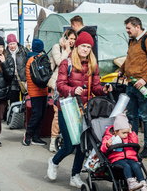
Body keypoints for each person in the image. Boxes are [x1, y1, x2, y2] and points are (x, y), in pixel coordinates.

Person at [47, 31, 112, 188]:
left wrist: (103, 89)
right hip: (67, 108)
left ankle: (75, 175)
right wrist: (72, 90)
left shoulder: (92, 65)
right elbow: (60, 85)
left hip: (84, 110)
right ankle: (54, 161)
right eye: (83, 45)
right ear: (77, 46)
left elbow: (95, 86)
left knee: (83, 145)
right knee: (69, 145)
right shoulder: (66, 63)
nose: (85, 49)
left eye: (88, 47)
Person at [119, 16, 147, 159]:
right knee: (131, 116)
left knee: (145, 117)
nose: (127, 31)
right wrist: (122, 70)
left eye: (129, 28)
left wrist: (145, 79)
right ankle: (133, 144)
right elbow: (129, 59)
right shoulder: (132, 42)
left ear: (137, 27)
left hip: (143, 86)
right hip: (130, 84)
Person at [47, 29, 77, 152]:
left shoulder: (76, 50)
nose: (72, 41)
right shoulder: (57, 47)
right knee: (57, 114)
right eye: (70, 38)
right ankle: (53, 140)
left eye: (74, 39)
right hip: (58, 84)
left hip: (71, 85)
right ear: (65, 38)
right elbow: (60, 62)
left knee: (71, 113)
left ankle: (68, 140)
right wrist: (66, 50)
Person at [101, 113, 147, 191]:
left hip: (130, 158)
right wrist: (107, 145)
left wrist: (131, 132)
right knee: (126, 166)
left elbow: (135, 142)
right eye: (124, 133)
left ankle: (143, 183)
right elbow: (103, 148)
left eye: (127, 132)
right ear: (115, 132)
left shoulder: (129, 136)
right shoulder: (109, 137)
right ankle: (131, 183)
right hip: (117, 159)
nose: (126, 135)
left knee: (136, 165)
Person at [23, 39, 49, 146]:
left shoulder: (35, 58)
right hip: (36, 92)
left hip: (42, 91)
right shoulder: (33, 59)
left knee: (40, 115)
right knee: (37, 115)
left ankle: (36, 137)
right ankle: (28, 135)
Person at [5, 34, 28, 103]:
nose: (12, 46)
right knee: (14, 101)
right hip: (12, 81)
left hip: (23, 79)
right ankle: (15, 113)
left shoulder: (23, 51)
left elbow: (28, 64)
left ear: (16, 42)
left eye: (13, 44)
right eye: (10, 44)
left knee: (26, 101)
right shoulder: (6, 53)